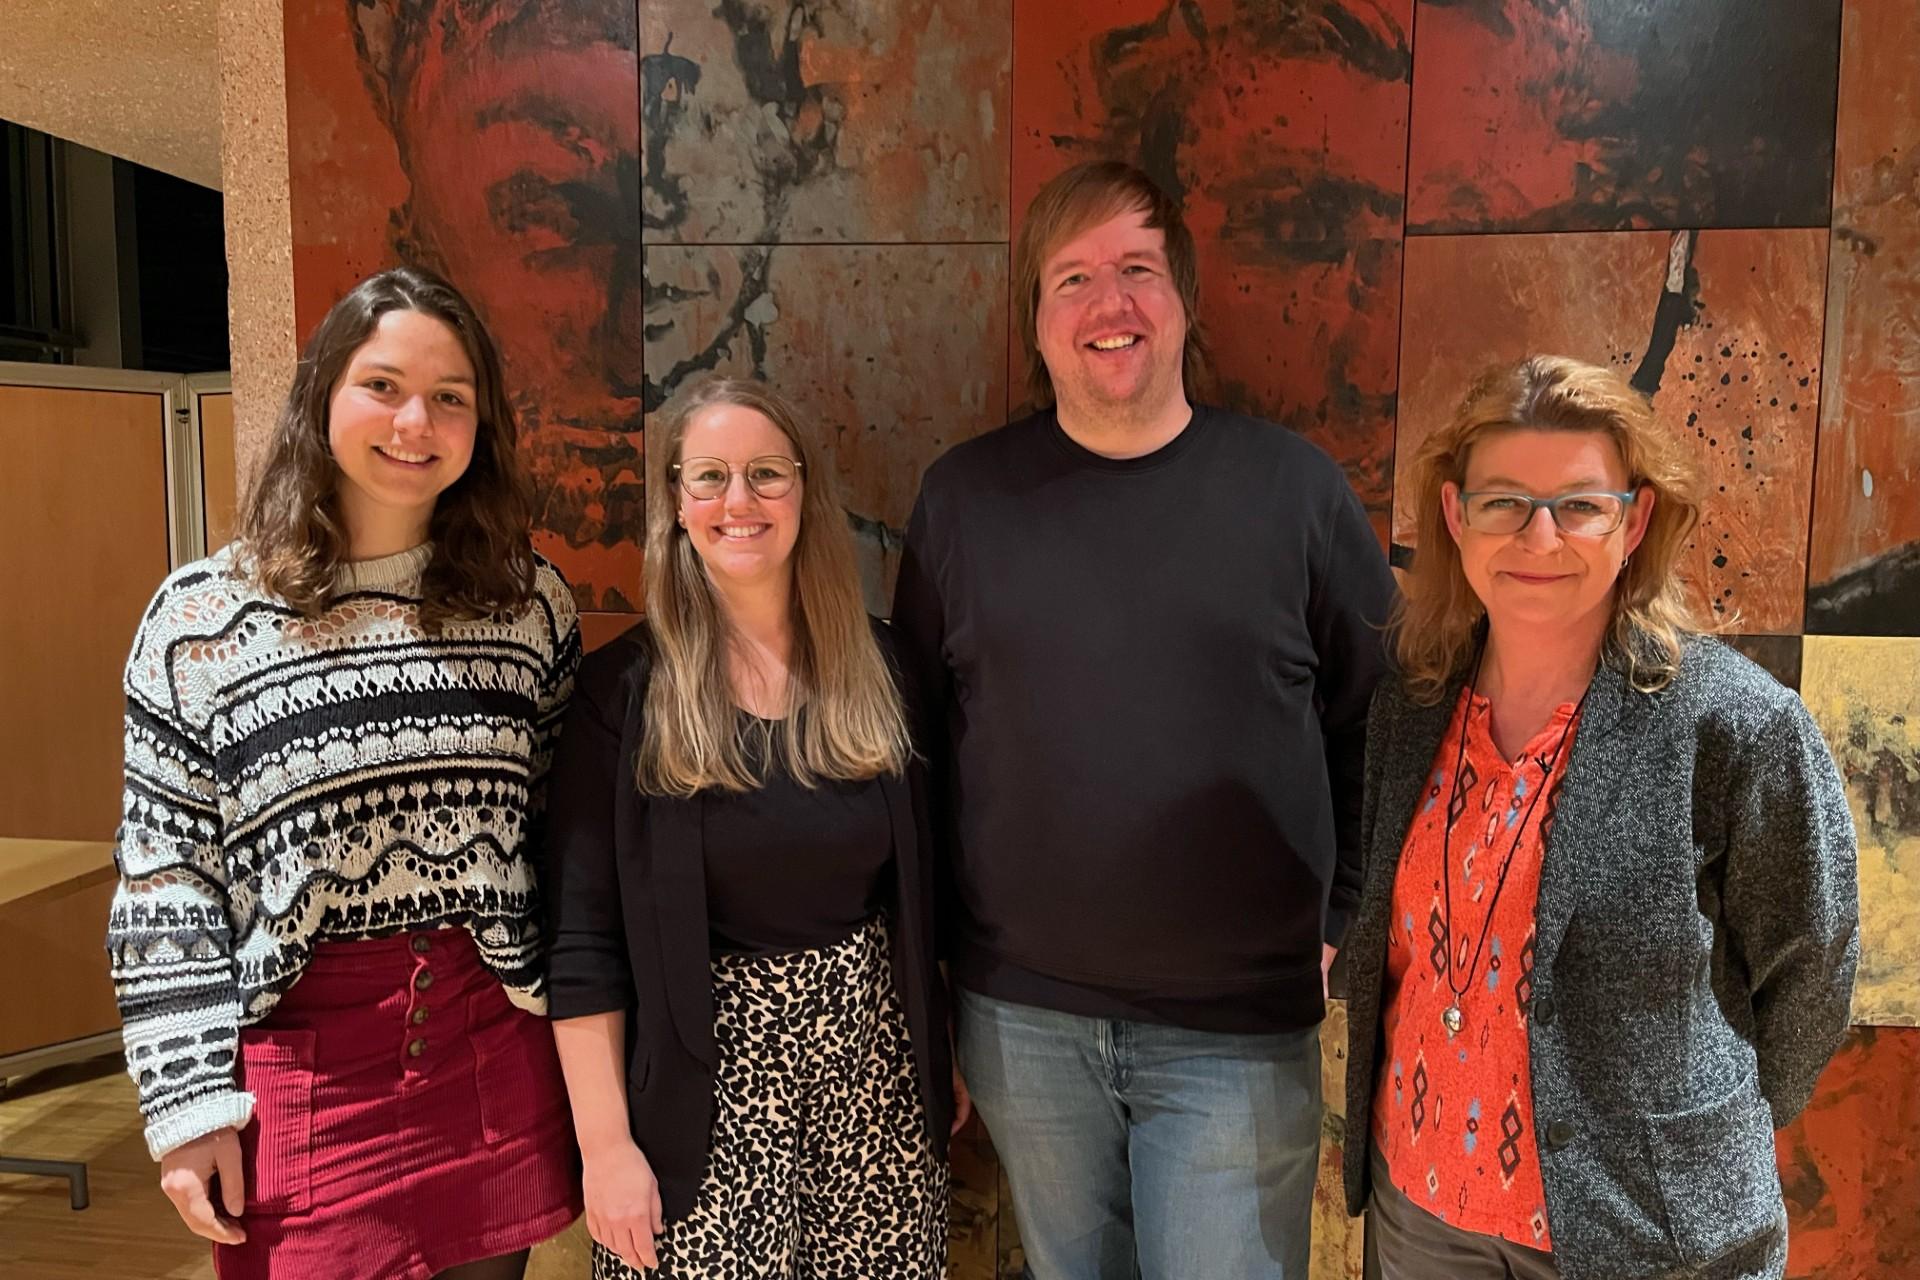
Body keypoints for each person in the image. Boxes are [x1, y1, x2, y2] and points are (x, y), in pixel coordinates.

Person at [891, 159, 1396, 1279]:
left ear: (1184, 302)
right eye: (1073, 277)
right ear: (1035, 318)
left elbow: (1385, 722)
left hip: (1238, 1029)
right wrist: (929, 986)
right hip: (1023, 1021)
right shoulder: (962, 502)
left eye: (1137, 270)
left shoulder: (1295, 491)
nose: (1108, 305)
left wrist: (1344, 914)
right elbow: (914, 758)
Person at [106, 265, 583, 1280]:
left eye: (451, 396)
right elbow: (165, 877)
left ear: (481, 424)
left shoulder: (528, 605)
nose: (417, 419)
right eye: (383, 385)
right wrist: (185, 1101)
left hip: (489, 1046)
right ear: (322, 395)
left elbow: (557, 831)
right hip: (304, 1072)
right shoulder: (200, 623)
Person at [1341, 355, 1859, 1280]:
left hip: (1640, 1232)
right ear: (1455, 517)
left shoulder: (1735, 728)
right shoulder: (1409, 711)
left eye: (1579, 504)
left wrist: (1697, 1142)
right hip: (1419, 1213)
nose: (1539, 538)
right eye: (1504, 503)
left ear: (1637, 519)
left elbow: (1810, 973)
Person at [544, 377, 958, 1280]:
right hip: (700, 1096)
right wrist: (605, 1146)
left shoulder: (884, 665)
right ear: (676, 504)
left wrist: (940, 1052)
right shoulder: (622, 696)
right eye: (711, 478)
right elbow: (583, 944)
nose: (740, 501)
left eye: (768, 474)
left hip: (875, 1078)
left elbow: (928, 893)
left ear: (807, 493)